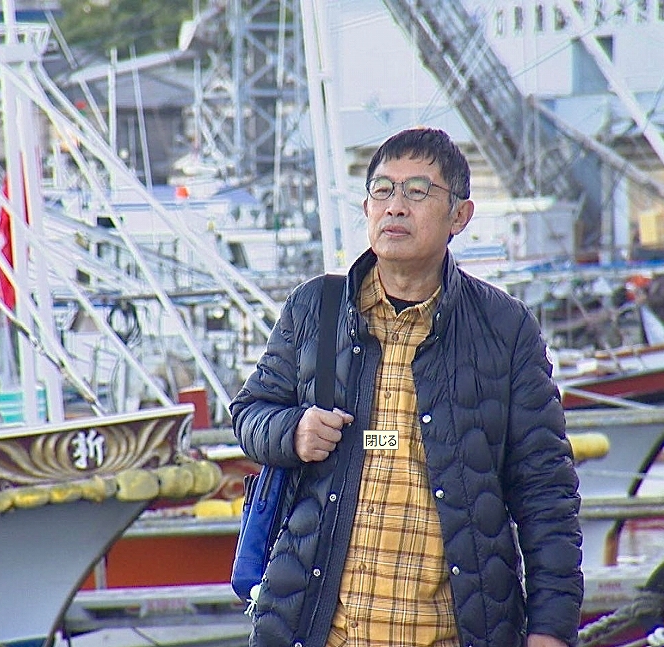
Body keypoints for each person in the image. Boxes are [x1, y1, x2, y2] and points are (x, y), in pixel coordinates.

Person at [230, 126, 582, 647]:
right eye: (382, 190)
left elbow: (545, 492)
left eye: (418, 191)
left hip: (453, 633)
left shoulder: (504, 329)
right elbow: (249, 413)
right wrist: (294, 431)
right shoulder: (317, 308)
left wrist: (551, 628)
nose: (395, 206)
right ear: (367, 207)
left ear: (459, 216)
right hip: (320, 630)